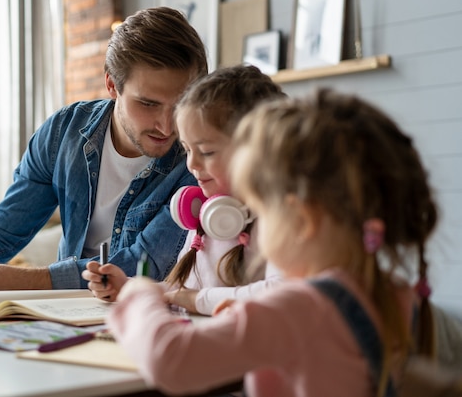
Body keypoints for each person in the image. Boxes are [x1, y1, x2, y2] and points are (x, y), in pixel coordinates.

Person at [107, 88, 438, 396]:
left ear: (302, 221)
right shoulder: (392, 293)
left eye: (262, 208)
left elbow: (171, 360)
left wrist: (139, 297)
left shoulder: (300, 308)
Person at [0, 6, 208, 305]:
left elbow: (144, 267)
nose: (168, 126)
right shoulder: (62, 133)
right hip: (63, 313)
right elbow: (2, 233)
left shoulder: (198, 161)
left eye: (182, 103)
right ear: (112, 86)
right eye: (148, 104)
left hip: (143, 317)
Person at [82, 64, 285, 315]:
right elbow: (182, 293)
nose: (192, 164)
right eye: (187, 150)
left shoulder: (280, 219)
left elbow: (282, 294)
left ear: (257, 151)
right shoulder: (208, 216)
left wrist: (195, 299)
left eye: (207, 152)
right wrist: (127, 287)